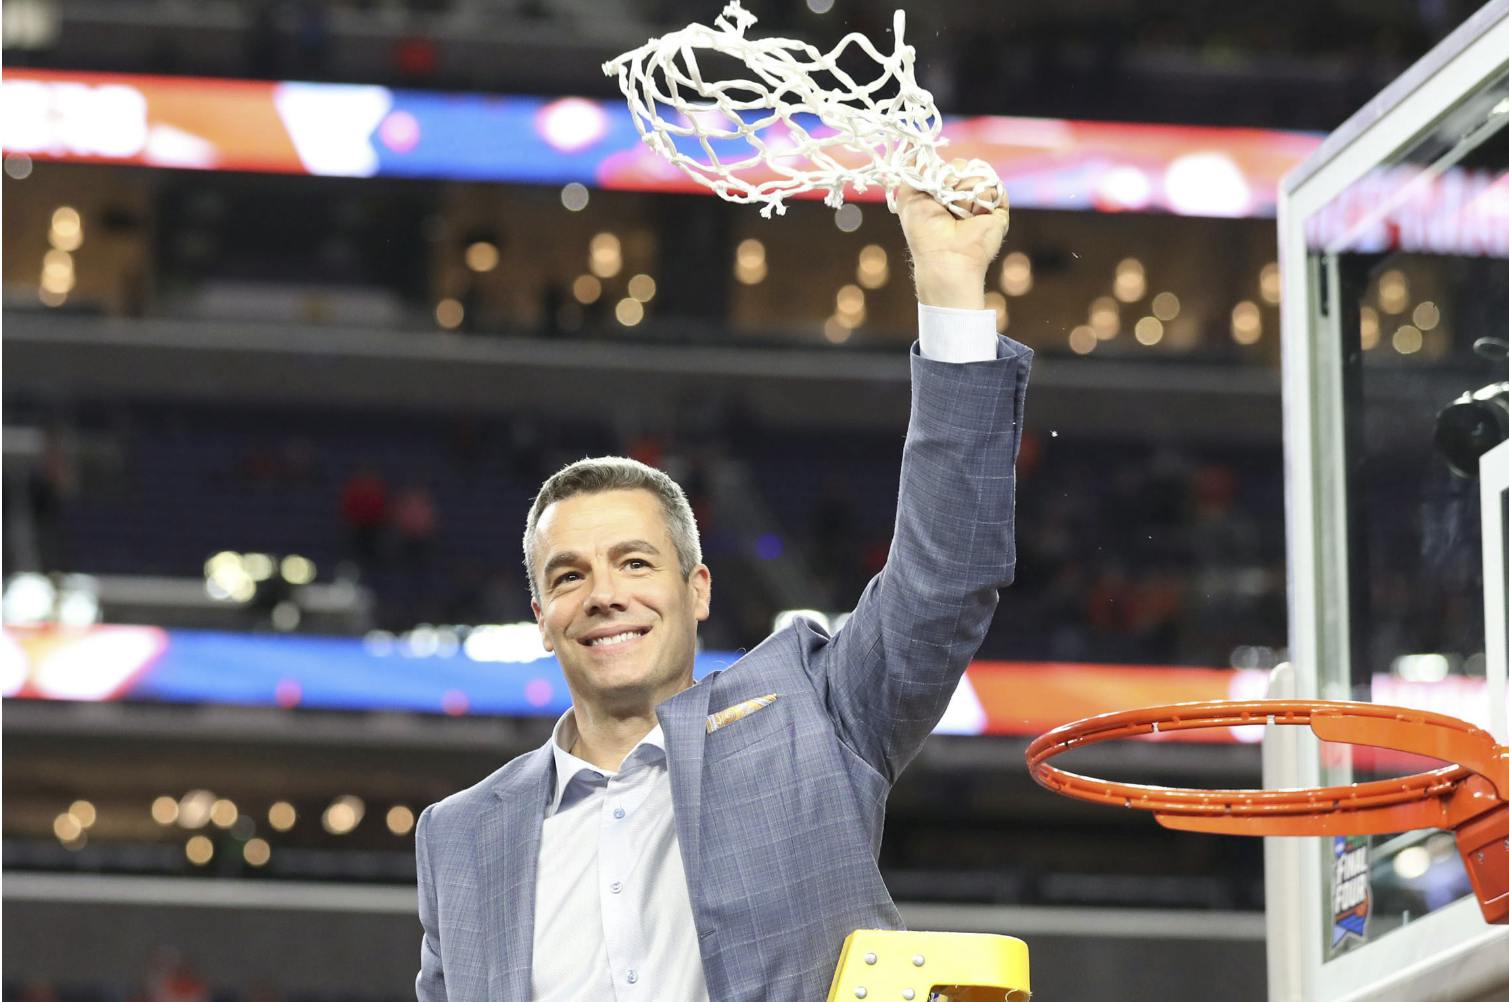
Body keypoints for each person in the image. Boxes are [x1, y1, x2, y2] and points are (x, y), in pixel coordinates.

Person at [414, 173, 1030, 1002]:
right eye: (570, 576)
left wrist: (952, 289)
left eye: (634, 562)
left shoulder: (816, 717)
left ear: (697, 588)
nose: (603, 594)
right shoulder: (458, 836)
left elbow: (945, 578)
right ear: (541, 618)